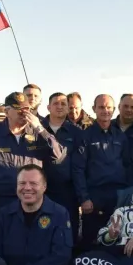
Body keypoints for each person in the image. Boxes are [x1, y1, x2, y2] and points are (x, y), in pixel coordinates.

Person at [0, 92, 67, 208]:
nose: (24, 113)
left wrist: (40, 129)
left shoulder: (39, 132)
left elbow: (59, 156)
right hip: (0, 201)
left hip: (33, 200)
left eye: (27, 109)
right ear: (6, 112)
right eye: (19, 109)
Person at [81, 94, 133, 251]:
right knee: (91, 240)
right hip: (94, 196)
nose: (105, 111)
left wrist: (128, 193)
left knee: (116, 238)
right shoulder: (86, 136)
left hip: (118, 195)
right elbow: (78, 169)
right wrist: (83, 198)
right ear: (94, 109)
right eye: (101, 107)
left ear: (114, 109)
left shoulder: (120, 136)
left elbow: (128, 165)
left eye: (108, 107)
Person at [43, 92, 86, 244]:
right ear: (48, 107)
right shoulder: (35, 128)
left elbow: (79, 166)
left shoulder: (76, 133)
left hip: (67, 192)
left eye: (63, 104)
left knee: (68, 231)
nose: (60, 106)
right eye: (56, 103)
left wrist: (83, 196)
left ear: (68, 108)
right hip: (42, 191)